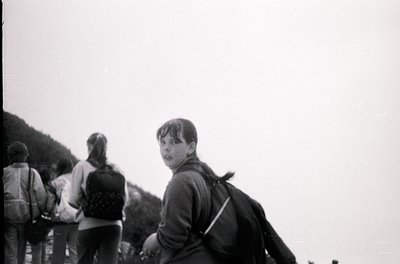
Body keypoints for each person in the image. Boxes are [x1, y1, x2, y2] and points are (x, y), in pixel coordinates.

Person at [142, 118, 234, 264]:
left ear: (191, 147)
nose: (166, 148)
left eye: (174, 142)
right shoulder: (201, 176)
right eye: (163, 142)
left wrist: (154, 240)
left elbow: (173, 237)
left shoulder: (181, 182)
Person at [69, 132, 130, 264]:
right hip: (114, 225)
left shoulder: (81, 166)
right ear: (106, 148)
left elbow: (73, 199)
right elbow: (125, 200)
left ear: (89, 146)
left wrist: (88, 205)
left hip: (88, 224)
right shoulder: (117, 169)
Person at [3, 141, 47, 264]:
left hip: (8, 218)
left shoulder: (4, 172)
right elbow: (41, 196)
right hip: (26, 217)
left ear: (9, 156)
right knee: (21, 250)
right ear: (26, 155)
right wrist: (41, 212)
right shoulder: (32, 173)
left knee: (10, 251)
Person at [50, 158, 78, 264]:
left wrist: (50, 213)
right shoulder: (78, 180)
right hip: (77, 220)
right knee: (75, 254)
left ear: (59, 168)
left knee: (58, 254)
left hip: (60, 221)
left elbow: (50, 202)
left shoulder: (57, 182)